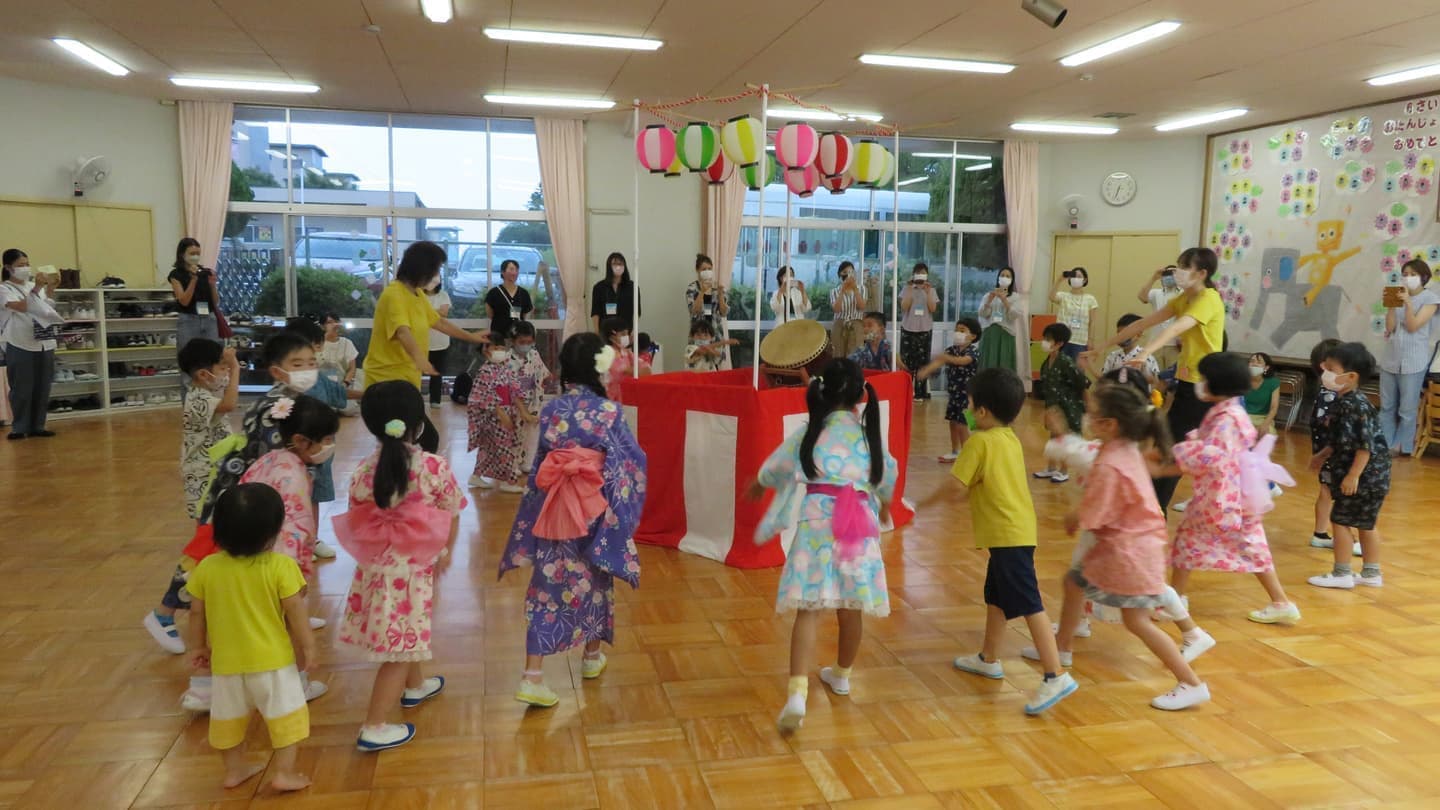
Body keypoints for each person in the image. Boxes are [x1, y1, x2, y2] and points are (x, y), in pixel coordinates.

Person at [1033, 380, 1213, 711]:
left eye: (1092, 413)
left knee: (1137, 621)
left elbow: (1098, 513)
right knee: (1074, 581)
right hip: (1130, 548)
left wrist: (1076, 516)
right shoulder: (1121, 449)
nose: (1087, 417)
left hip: (1128, 553)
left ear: (1110, 424)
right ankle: (1062, 646)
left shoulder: (1111, 462)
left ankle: (1191, 682)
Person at [747, 358, 896, 732]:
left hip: (815, 525)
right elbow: (886, 474)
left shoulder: (809, 431)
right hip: (857, 528)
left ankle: (797, 692)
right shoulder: (868, 434)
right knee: (852, 606)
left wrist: (759, 483)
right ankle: (842, 674)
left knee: (809, 610)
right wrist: (886, 504)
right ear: (863, 394)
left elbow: (776, 467)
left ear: (823, 390)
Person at [501, 333, 647, 708]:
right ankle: (591, 657)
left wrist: (530, 516)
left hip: (555, 509)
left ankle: (532, 675)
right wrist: (621, 516)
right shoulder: (610, 412)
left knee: (548, 584)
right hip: (594, 510)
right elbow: (628, 464)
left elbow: (538, 470)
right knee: (596, 576)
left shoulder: (552, 410)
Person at [922, 367, 1077, 715]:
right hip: (1017, 532)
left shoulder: (978, 441)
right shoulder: (1007, 437)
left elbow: (954, 487)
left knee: (1029, 602)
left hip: (1008, 536)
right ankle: (988, 658)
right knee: (997, 596)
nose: (967, 407)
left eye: (970, 402)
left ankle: (1055, 674)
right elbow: (982, 484)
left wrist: (920, 504)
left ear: (981, 412)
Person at [335, 381, 466, 751]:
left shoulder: (364, 470)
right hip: (412, 572)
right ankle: (374, 725)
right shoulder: (433, 466)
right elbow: (452, 511)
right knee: (398, 647)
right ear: (418, 422)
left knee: (406, 634)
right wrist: (446, 552)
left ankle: (416, 685)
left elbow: (359, 515)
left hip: (378, 568)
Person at [184, 483, 315, 793]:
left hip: (227, 664)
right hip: (273, 663)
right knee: (287, 718)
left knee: (227, 720)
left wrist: (198, 646)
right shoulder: (282, 567)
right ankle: (284, 772)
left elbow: (195, 614)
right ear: (273, 533)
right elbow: (296, 611)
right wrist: (309, 646)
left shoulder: (207, 568)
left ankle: (234, 770)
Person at [1154, 352, 1300, 625]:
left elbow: (1211, 454)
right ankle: (1280, 601)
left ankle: (1176, 600)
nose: (1200, 383)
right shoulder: (1229, 411)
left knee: (1190, 542)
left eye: (1205, 379)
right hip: (1235, 492)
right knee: (1247, 546)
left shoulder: (1228, 417)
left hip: (1223, 496)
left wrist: (1179, 453)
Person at [1086, 248, 1226, 512]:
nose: (1178, 272)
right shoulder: (1184, 298)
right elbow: (1141, 325)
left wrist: (1145, 353)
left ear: (1202, 273)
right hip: (1188, 385)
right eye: (1179, 265)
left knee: (1174, 448)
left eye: (1185, 267)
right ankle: (1153, 505)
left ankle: (1155, 509)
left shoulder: (1209, 299)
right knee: (1170, 445)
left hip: (1205, 388)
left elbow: (1175, 328)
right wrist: (1100, 346)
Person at [141, 338, 242, 657]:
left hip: (216, 478)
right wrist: (238, 368)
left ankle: (209, 609)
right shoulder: (199, 398)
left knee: (214, 546)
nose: (225, 372)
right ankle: (165, 611)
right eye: (221, 367)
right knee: (203, 548)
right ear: (202, 374)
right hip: (204, 483)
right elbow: (230, 405)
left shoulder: (205, 393)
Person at [365, 241, 487, 451]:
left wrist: (472, 337)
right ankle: (404, 480)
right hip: (386, 385)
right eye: (436, 269)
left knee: (411, 443)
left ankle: (409, 480)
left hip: (405, 382)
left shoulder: (417, 294)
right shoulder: (394, 294)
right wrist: (420, 359)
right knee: (420, 441)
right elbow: (402, 331)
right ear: (422, 268)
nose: (436, 274)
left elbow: (438, 322)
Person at [195, 332, 321, 525]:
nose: (307, 369)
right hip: (261, 487)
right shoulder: (275, 407)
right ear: (276, 372)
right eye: (297, 365)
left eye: (312, 363)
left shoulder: (293, 399)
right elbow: (273, 457)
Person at [1308, 342, 1391, 590]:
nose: (1326, 372)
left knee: (1340, 520)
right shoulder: (1345, 402)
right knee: (1366, 523)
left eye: (1331, 368)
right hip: (1375, 477)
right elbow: (1341, 438)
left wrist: (1353, 476)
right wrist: (1322, 454)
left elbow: (1364, 446)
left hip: (1364, 476)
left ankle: (1342, 573)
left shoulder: (1355, 405)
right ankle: (1371, 573)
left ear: (1351, 376)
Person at [284, 317, 350, 561]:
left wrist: (375, 392)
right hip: (295, 451)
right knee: (293, 494)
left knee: (315, 495)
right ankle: (293, 539)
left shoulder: (318, 377)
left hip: (321, 449)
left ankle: (311, 538)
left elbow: (339, 394)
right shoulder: (284, 383)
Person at [1379, 258, 1438, 456]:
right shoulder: (1399, 295)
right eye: (1405, 274)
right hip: (1391, 359)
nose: (1408, 278)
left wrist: (1408, 305)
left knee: (1407, 409)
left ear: (1424, 277)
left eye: (1413, 274)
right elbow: (1390, 328)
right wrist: (1391, 306)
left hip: (1414, 361)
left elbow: (1413, 327)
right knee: (1387, 406)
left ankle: (1402, 446)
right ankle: (1385, 444)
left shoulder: (1431, 299)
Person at [2, 249, 62, 439]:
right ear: (7, 268)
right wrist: (36, 288)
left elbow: (45, 308)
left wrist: (51, 288)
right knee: (21, 387)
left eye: (27, 264)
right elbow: (22, 307)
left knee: (42, 385)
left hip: (44, 341)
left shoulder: (34, 287)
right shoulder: (4, 288)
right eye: (20, 265)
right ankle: (19, 427)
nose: (25, 268)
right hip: (20, 342)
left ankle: (38, 425)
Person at [1306, 338, 1356, 555]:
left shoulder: (1329, 392)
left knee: (1327, 491)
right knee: (1330, 491)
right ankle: (1336, 535)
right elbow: (1327, 424)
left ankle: (1321, 533)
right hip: (1331, 452)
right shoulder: (1329, 394)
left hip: (1328, 450)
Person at [467, 332, 533, 494]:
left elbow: (514, 391)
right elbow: (484, 396)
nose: (500, 351)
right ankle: (509, 481)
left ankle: (476, 476)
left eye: (502, 348)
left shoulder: (504, 369)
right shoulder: (485, 372)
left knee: (489, 448)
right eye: (496, 348)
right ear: (485, 349)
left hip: (506, 411)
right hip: (493, 416)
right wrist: (501, 414)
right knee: (506, 448)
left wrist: (524, 412)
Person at [919, 317, 981, 462]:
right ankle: (955, 451)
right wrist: (926, 371)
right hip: (954, 394)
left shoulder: (973, 351)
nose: (957, 333)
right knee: (953, 422)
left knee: (964, 424)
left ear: (973, 336)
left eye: (962, 330)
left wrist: (946, 358)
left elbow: (963, 361)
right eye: (956, 330)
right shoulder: (951, 350)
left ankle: (968, 455)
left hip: (969, 396)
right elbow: (939, 361)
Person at [1034, 323, 1088, 483]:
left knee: (1066, 438)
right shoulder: (1047, 361)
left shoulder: (1066, 362)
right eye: (1044, 338)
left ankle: (1063, 470)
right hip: (1053, 406)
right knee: (1054, 437)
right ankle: (1050, 468)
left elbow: (1081, 383)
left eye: (1049, 339)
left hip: (1069, 407)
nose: (1045, 342)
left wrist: (1086, 405)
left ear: (1059, 343)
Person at [508, 321, 553, 473]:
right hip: (515, 404)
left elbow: (542, 372)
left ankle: (527, 462)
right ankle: (512, 464)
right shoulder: (508, 360)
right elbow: (509, 388)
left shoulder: (534, 354)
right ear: (513, 341)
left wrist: (548, 378)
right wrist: (522, 411)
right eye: (521, 342)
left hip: (534, 401)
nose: (525, 345)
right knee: (514, 434)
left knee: (531, 434)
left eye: (529, 342)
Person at [169, 238, 220, 357]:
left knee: (212, 356)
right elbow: (184, 301)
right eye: (192, 253)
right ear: (182, 254)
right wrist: (193, 279)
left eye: (198, 254)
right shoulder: (176, 275)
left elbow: (216, 301)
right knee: (187, 357)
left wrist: (213, 285)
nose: (195, 257)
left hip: (209, 318)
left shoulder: (206, 272)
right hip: (188, 319)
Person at [899, 263, 939, 400]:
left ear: (927, 275)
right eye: (918, 272)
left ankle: (920, 393)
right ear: (914, 274)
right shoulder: (907, 288)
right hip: (908, 329)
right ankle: (905, 391)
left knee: (923, 363)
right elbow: (904, 307)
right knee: (906, 362)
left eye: (923, 273)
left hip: (924, 330)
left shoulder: (931, 290)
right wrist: (911, 289)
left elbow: (933, 309)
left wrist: (927, 292)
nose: (920, 275)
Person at [1088, 314, 1161, 387]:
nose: (1121, 337)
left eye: (1125, 334)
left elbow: (1155, 381)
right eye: (1119, 334)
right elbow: (1105, 379)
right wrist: (1090, 365)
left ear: (1138, 334)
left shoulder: (1146, 357)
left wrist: (1143, 373)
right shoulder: (1112, 356)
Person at [686, 253, 730, 367]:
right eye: (704, 269)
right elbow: (693, 311)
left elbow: (724, 312)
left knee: (716, 368)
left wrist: (720, 294)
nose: (707, 271)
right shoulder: (692, 288)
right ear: (697, 271)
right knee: (698, 366)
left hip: (715, 334)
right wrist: (702, 291)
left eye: (709, 269)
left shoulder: (716, 288)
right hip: (699, 335)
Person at [1137, 265, 1184, 372]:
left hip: (1174, 345)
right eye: (1167, 274)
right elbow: (1142, 297)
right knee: (1155, 377)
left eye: (1173, 274)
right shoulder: (1156, 293)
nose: (1170, 277)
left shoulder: (1183, 293)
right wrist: (1154, 277)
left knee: (1172, 379)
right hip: (1155, 343)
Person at [1051, 267, 1098, 361]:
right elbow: (1051, 297)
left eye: (1079, 276)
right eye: (1073, 276)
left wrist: (1090, 339)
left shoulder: (1090, 299)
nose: (1075, 278)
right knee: (1060, 370)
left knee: (1077, 371)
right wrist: (1059, 280)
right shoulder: (1063, 296)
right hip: (1062, 340)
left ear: (1085, 280)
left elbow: (1092, 322)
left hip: (1080, 342)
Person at [978, 266, 1020, 371]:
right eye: (1002, 275)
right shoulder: (989, 295)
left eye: (1008, 276)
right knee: (988, 364)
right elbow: (983, 314)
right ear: (998, 278)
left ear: (1012, 280)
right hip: (990, 332)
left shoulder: (1015, 297)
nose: (1004, 278)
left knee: (1004, 365)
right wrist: (989, 301)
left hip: (1006, 333)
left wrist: (1005, 300)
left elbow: (1014, 315)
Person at [600, 316, 650, 400]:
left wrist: (631, 370)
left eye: (627, 333)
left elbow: (647, 370)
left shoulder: (627, 353)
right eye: (623, 334)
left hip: (627, 398)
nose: (626, 337)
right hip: (608, 400)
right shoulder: (603, 355)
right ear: (611, 336)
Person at [591, 251, 640, 334]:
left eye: (620, 264)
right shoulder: (599, 287)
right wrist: (596, 331)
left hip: (625, 331)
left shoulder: (632, 287)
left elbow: (637, 311)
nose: (618, 267)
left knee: (624, 347)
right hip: (605, 332)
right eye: (615, 264)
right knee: (606, 347)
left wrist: (634, 332)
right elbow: (595, 312)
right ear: (609, 266)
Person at [486, 258, 534, 339]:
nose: (514, 273)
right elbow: (490, 314)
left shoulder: (523, 293)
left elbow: (525, 313)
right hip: (498, 335)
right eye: (511, 269)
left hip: (518, 336)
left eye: (516, 270)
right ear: (503, 272)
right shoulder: (493, 293)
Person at [829, 261, 866, 359]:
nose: (849, 275)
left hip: (856, 324)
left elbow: (861, 307)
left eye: (851, 272)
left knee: (855, 355)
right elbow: (836, 309)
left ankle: (853, 374)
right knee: (838, 354)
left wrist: (855, 289)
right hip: (839, 325)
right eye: (845, 272)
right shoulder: (834, 291)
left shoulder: (862, 289)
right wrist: (842, 290)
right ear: (840, 275)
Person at [425, 283, 452, 409]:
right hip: (421, 341)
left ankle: (435, 400)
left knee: (437, 372)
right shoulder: (418, 295)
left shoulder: (443, 295)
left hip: (441, 341)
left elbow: (444, 312)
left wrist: (426, 311)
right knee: (414, 371)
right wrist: (435, 312)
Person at [1243, 352, 1281, 436]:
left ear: (1266, 367)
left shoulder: (1273, 383)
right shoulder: (1242, 380)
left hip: (1263, 418)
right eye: (1252, 361)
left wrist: (1265, 424)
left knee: (1267, 435)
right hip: (1243, 417)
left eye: (1259, 362)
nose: (1254, 364)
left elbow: (1274, 408)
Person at [319, 314, 359, 389]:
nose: (334, 325)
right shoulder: (317, 343)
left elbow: (352, 368)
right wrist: (327, 336)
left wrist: (345, 383)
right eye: (330, 322)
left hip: (341, 384)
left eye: (336, 322)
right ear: (322, 326)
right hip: (320, 386)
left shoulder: (347, 343)